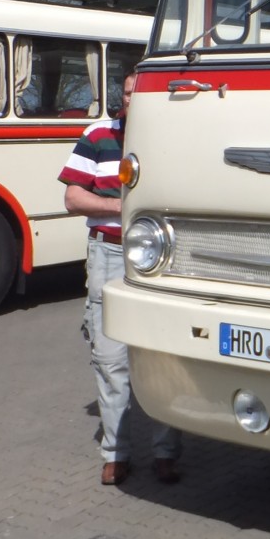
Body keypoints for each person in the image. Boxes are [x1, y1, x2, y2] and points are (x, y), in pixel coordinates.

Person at [58, 74, 182, 486]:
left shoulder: (175, 134)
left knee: (163, 356)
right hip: (109, 254)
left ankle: (165, 452)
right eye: (128, 94)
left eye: (140, 94)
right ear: (122, 98)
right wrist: (122, 205)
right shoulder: (98, 135)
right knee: (110, 358)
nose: (134, 100)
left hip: (162, 257)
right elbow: (73, 197)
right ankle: (115, 453)